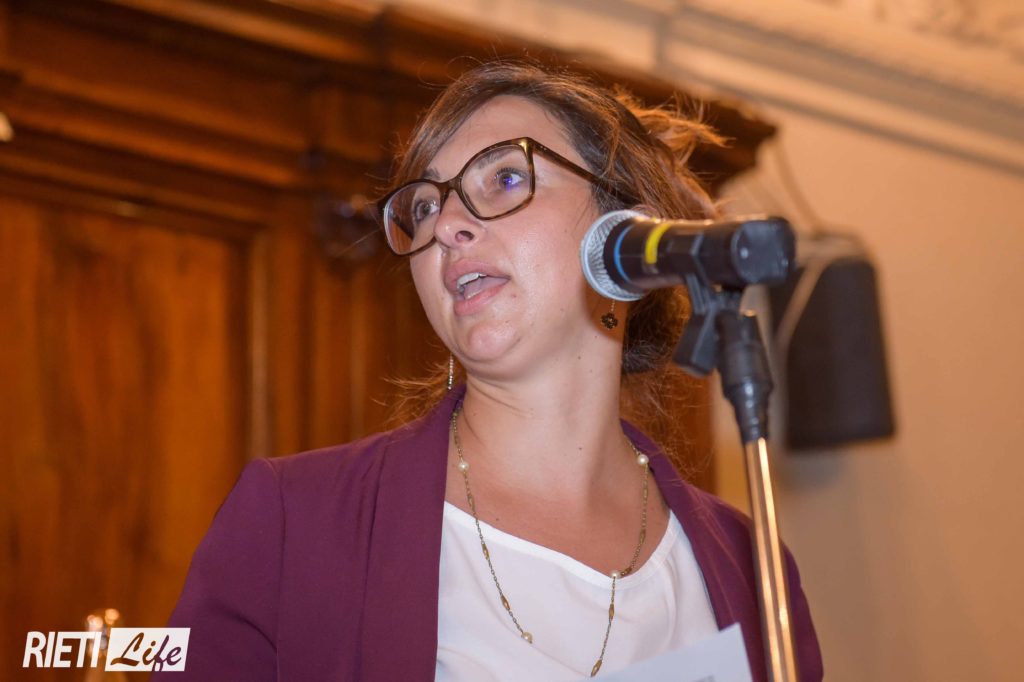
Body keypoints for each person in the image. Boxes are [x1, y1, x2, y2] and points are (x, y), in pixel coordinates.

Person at [159, 61, 822, 681]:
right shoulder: (292, 521)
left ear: (624, 231)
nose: (447, 224)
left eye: (505, 178)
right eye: (424, 207)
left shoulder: (752, 571)